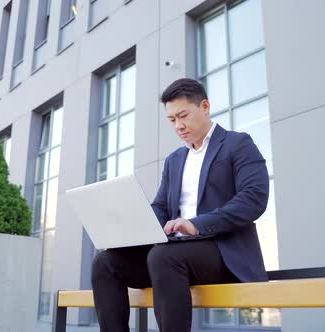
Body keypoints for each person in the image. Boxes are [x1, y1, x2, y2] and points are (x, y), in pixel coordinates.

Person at [91, 78, 270, 332]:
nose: (179, 125)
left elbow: (254, 198)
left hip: (222, 253)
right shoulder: (174, 160)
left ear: (205, 106)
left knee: (164, 256)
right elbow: (161, 207)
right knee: (105, 262)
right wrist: (132, 225)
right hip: (171, 256)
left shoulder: (238, 144)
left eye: (183, 115)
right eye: (172, 120)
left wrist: (196, 225)